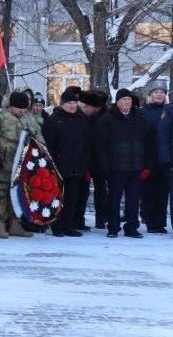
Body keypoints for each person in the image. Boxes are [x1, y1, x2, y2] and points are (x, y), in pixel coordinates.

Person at [0, 91, 42, 239]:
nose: (22, 111)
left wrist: (41, 151)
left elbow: (37, 135)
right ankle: (0, 224)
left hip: (21, 166)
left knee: (16, 195)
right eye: (19, 108)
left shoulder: (28, 118)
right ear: (11, 106)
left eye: (24, 108)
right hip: (0, 164)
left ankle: (15, 223)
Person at [95, 88, 151, 238]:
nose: (126, 102)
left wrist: (146, 165)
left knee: (133, 199)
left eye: (129, 100)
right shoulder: (107, 119)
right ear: (117, 102)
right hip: (116, 167)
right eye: (123, 100)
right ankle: (113, 227)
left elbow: (148, 142)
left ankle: (132, 227)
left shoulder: (140, 118)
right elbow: (100, 145)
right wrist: (104, 166)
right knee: (114, 198)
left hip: (136, 166)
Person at [43, 86, 88, 237]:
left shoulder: (81, 120)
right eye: (69, 103)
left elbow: (87, 143)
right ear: (62, 104)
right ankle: (56, 226)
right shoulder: (54, 119)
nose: (72, 106)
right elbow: (49, 143)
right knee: (57, 198)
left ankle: (68, 226)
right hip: (59, 165)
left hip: (77, 165)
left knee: (72, 198)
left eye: (75, 103)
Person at [139, 83, 168, 233]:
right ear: (150, 94)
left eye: (162, 92)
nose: (159, 95)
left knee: (163, 193)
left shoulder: (168, 111)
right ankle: (150, 221)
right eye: (156, 92)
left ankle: (160, 222)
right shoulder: (142, 112)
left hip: (166, 159)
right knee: (149, 191)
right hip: (148, 158)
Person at [79, 90, 109, 228]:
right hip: (85, 158)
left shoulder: (105, 118)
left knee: (101, 190)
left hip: (99, 159)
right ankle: (79, 219)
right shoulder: (83, 117)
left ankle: (101, 219)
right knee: (83, 191)